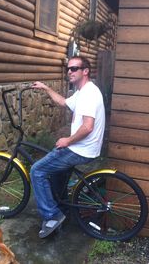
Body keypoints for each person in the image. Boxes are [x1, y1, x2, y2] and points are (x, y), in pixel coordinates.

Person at [30, 56, 105, 238]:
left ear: (85, 71)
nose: (69, 72)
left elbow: (87, 127)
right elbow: (64, 102)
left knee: (37, 170)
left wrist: (68, 141)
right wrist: (46, 88)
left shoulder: (89, 94)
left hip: (81, 149)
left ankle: (52, 216)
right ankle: (62, 208)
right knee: (57, 173)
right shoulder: (82, 91)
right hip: (83, 147)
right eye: (68, 69)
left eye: (74, 68)